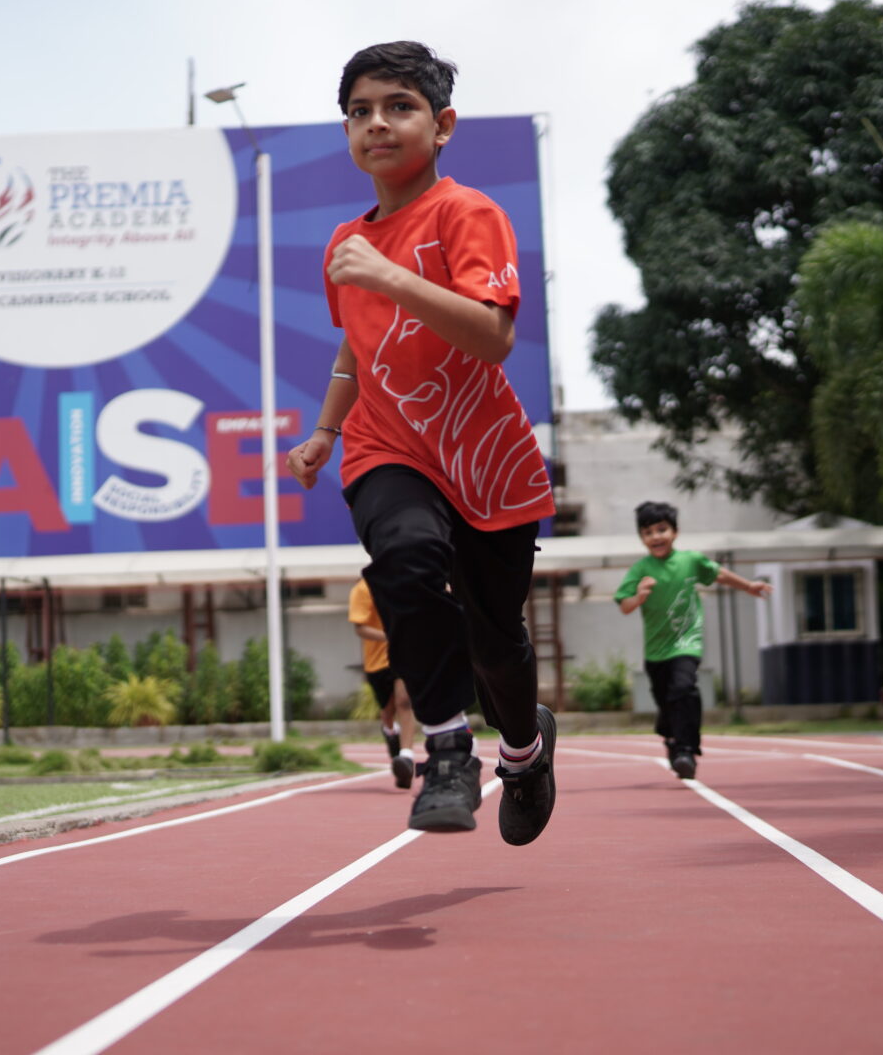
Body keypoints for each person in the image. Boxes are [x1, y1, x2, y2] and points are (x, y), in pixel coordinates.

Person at [287, 41, 558, 845]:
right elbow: (355, 349)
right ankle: (445, 748)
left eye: (398, 107)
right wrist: (326, 431)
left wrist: (392, 275)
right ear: (347, 132)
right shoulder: (346, 244)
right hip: (386, 443)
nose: (378, 123)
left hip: (486, 461)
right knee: (403, 561)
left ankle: (524, 749)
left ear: (441, 125)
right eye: (360, 111)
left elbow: (494, 336)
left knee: (496, 639)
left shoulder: (466, 213)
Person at [615, 500, 772, 779]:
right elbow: (624, 606)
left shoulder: (691, 561)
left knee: (684, 688)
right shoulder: (641, 570)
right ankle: (672, 740)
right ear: (642, 538)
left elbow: (718, 574)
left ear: (674, 532)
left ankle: (687, 750)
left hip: (687, 641)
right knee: (666, 702)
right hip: (655, 651)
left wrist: (748, 586)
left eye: (662, 529)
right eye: (648, 532)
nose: (656, 537)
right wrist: (639, 596)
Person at [349, 577, 416, 789]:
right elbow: (360, 628)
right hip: (376, 663)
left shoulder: (403, 581)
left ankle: (406, 756)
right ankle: (393, 743)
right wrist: (390, 636)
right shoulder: (362, 589)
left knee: (404, 702)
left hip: (402, 654)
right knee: (387, 711)